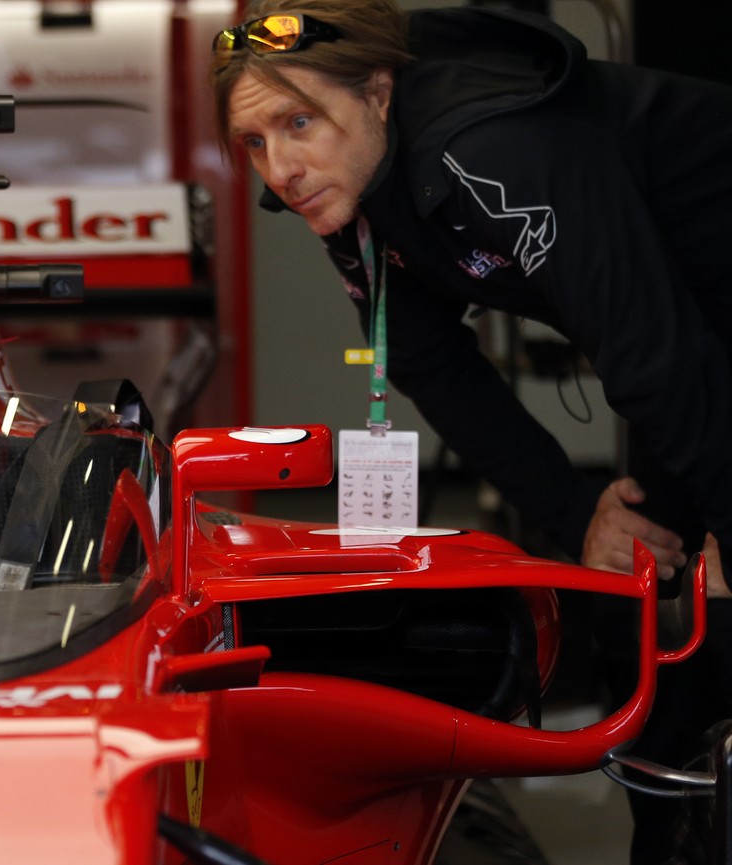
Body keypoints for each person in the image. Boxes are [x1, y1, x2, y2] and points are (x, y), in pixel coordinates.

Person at [212, 2, 732, 862]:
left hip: (687, 348)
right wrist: (575, 514)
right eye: (257, 143)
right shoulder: (353, 201)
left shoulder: (488, 144)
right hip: (692, 348)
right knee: (636, 620)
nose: (283, 169)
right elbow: (437, 371)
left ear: (378, 92)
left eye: (298, 122)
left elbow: (652, 353)